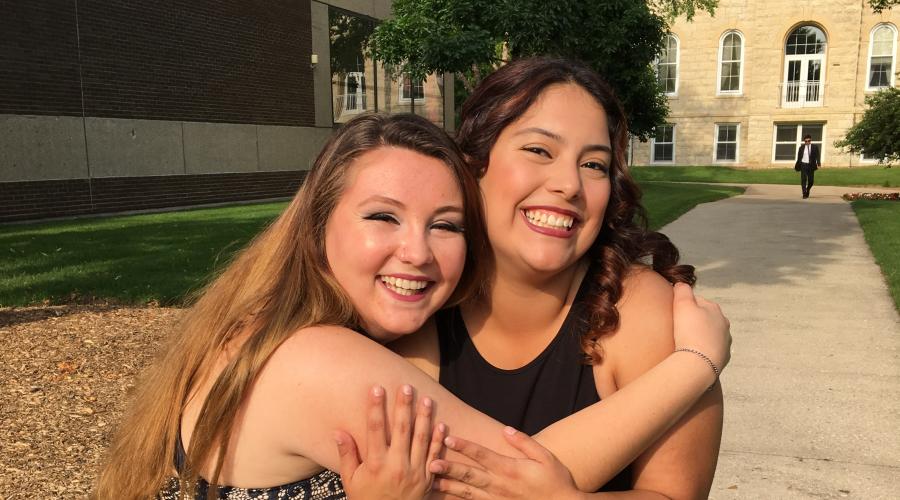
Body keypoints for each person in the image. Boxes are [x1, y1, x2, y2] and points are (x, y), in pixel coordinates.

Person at [94, 111, 729, 500]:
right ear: (317, 226)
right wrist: (695, 364)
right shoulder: (316, 360)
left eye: (446, 225)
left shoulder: (270, 325)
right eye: (383, 217)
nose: (417, 252)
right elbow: (511, 479)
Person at [379, 57, 725, 499]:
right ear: (473, 164)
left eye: (594, 165)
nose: (569, 185)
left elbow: (675, 494)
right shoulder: (419, 298)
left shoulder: (644, 312)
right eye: (539, 150)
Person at [794, 134, 821, 198]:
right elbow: (799, 157)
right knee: (803, 179)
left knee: (811, 181)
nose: (807, 142)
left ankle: (808, 189)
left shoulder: (815, 147)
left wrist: (818, 163)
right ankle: (804, 193)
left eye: (809, 141)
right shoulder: (801, 147)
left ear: (810, 140)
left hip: (811, 165)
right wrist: (798, 165)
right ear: (804, 141)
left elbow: (817, 156)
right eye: (806, 141)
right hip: (803, 164)